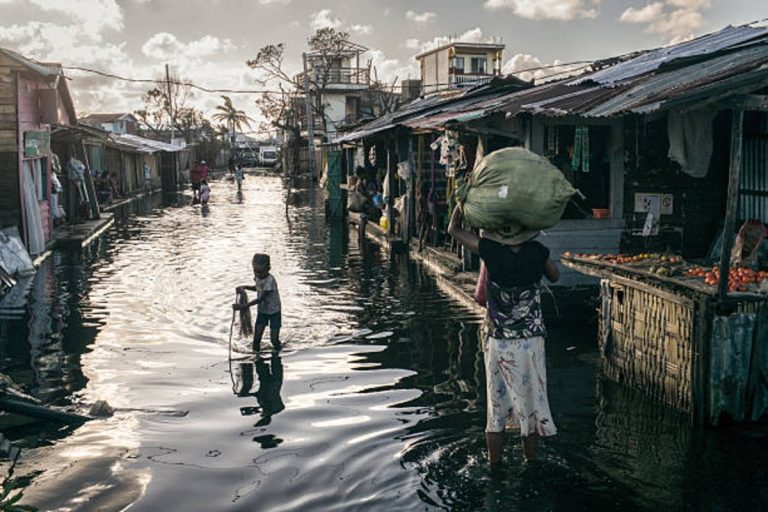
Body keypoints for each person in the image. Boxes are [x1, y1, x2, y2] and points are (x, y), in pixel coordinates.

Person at [447, 205, 560, 466]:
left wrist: (462, 204)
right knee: (530, 409)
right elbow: (555, 276)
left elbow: (453, 229)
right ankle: (530, 463)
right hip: (531, 342)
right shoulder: (538, 252)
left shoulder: (490, 251)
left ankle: (494, 465)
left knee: (496, 409)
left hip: (499, 342)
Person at [233, 253, 282, 350]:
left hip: (274, 312)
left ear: (268, 268)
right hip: (262, 311)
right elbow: (258, 288)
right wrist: (245, 287)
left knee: (274, 340)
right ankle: (256, 354)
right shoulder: (258, 277)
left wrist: (243, 306)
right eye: (255, 271)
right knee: (256, 339)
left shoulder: (270, 280)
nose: (257, 274)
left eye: (260, 272)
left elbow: (261, 298)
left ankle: (277, 353)